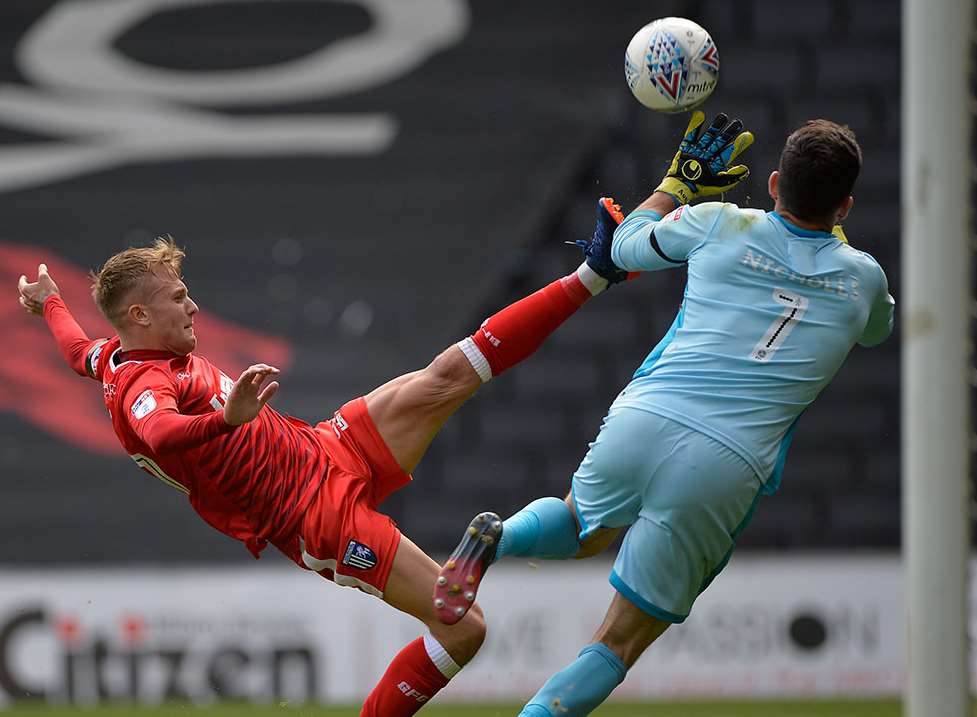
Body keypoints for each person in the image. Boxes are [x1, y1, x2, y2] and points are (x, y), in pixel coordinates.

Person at [15, 199, 632, 716]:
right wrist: (225, 418)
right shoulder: (144, 390)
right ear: (140, 316)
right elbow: (163, 436)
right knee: (464, 629)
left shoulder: (114, 358)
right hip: (313, 517)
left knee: (448, 374)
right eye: (179, 298)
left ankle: (592, 274)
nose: (194, 307)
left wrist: (49, 304)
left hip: (324, 447)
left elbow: (76, 350)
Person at [436, 113, 895, 716]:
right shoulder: (863, 280)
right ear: (846, 206)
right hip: (726, 464)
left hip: (647, 415)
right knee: (618, 642)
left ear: (776, 183)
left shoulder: (718, 223)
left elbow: (622, 249)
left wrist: (675, 188)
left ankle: (500, 538)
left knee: (578, 529)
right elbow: (876, 332)